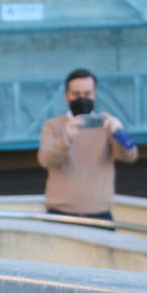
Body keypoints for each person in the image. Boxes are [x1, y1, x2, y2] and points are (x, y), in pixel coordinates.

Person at [37, 67, 139, 223]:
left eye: (87, 94)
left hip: (100, 215)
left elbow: (130, 156)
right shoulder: (53, 126)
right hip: (60, 215)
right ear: (66, 96)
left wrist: (118, 133)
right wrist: (66, 139)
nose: (82, 99)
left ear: (94, 94)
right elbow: (45, 159)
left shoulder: (105, 124)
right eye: (76, 94)